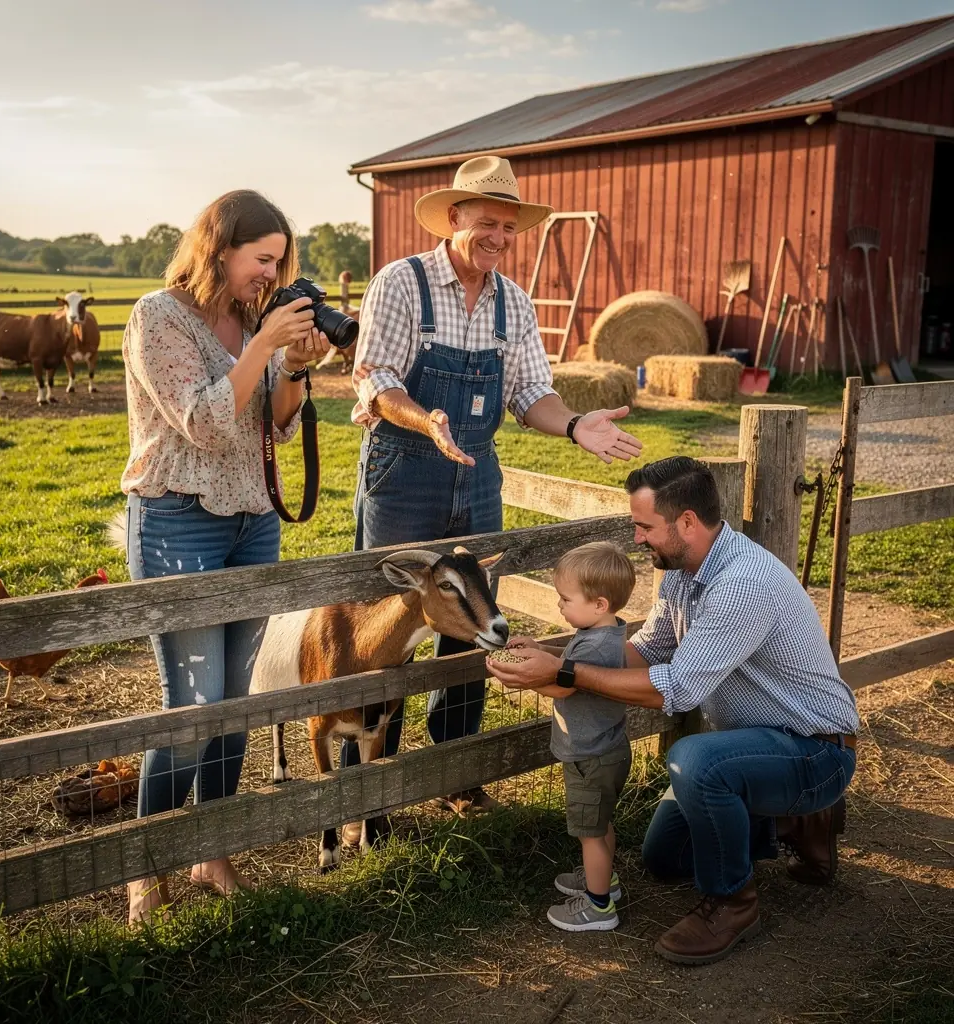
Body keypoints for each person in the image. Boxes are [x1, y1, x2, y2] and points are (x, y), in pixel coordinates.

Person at [345, 155, 643, 819]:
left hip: (476, 476)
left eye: (509, 228)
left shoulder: (514, 301)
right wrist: (427, 420)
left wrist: (572, 425)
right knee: (386, 625)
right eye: (487, 223)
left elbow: (530, 392)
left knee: (475, 622)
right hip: (403, 474)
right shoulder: (402, 283)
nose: (499, 239)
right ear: (453, 219)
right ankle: (373, 781)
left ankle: (454, 771)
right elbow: (376, 377)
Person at [486, 456, 859, 966]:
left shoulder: (743, 583)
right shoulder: (686, 572)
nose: (637, 539)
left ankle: (733, 901)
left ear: (686, 521)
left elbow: (677, 688)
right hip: (752, 744)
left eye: (645, 527)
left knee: (695, 763)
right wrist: (557, 658)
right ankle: (790, 822)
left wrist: (563, 676)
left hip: (813, 748)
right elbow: (645, 651)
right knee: (664, 858)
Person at [119, 189, 331, 926]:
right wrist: (268, 344)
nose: (270, 276)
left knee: (235, 706)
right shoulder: (159, 318)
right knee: (192, 708)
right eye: (260, 260)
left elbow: (270, 421)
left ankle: (212, 851)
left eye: (279, 263)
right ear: (218, 248)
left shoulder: (252, 320)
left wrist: (296, 365)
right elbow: (207, 424)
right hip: (179, 521)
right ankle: (146, 867)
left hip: (253, 523)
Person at [515, 541, 636, 933]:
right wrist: (538, 648)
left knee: (590, 833)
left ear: (599, 604)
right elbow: (568, 665)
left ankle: (599, 908)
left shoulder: (596, 646)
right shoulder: (605, 633)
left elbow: (563, 685)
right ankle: (606, 883)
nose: (559, 606)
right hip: (608, 751)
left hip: (590, 757)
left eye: (565, 599)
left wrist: (525, 677)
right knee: (600, 826)